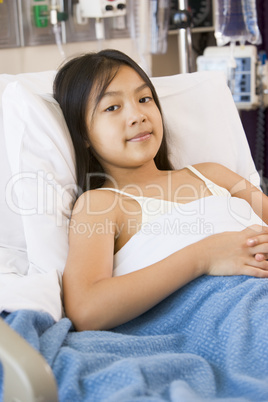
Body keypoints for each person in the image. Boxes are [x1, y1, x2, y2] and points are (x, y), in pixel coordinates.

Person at [53, 49, 268, 331]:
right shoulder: (101, 205)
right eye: (112, 107)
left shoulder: (212, 174)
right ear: (83, 135)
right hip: (226, 319)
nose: (137, 115)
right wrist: (205, 256)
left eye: (144, 99)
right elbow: (86, 309)